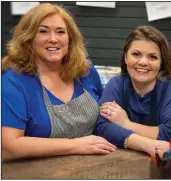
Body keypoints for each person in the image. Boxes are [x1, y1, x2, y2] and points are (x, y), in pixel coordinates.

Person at [2, 3, 116, 161]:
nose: (53, 39)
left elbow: (106, 117)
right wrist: (77, 145)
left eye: (60, 32)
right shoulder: (14, 82)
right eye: (43, 31)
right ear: (28, 38)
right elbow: (9, 146)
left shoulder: (85, 70)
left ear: (70, 38)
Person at [94, 25, 171, 158]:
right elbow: (102, 127)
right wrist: (147, 144)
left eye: (152, 57)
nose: (143, 62)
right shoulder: (116, 84)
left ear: (161, 63)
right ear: (125, 57)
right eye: (136, 54)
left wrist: (126, 124)